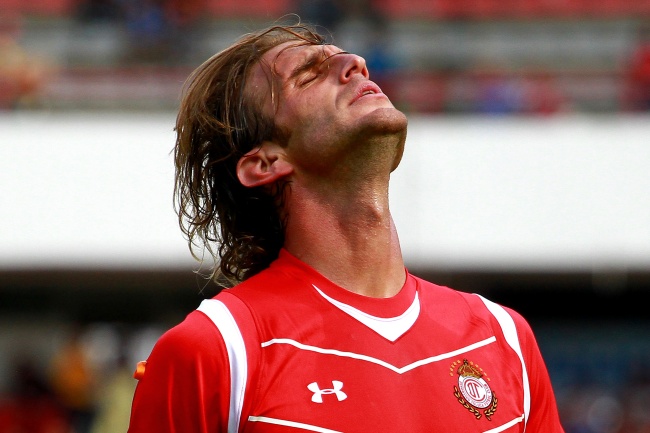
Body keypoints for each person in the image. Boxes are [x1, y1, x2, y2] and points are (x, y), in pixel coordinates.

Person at [128, 22, 565, 433]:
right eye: (308, 75)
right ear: (266, 161)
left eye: (346, 56)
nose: (355, 62)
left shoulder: (505, 339)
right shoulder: (216, 351)